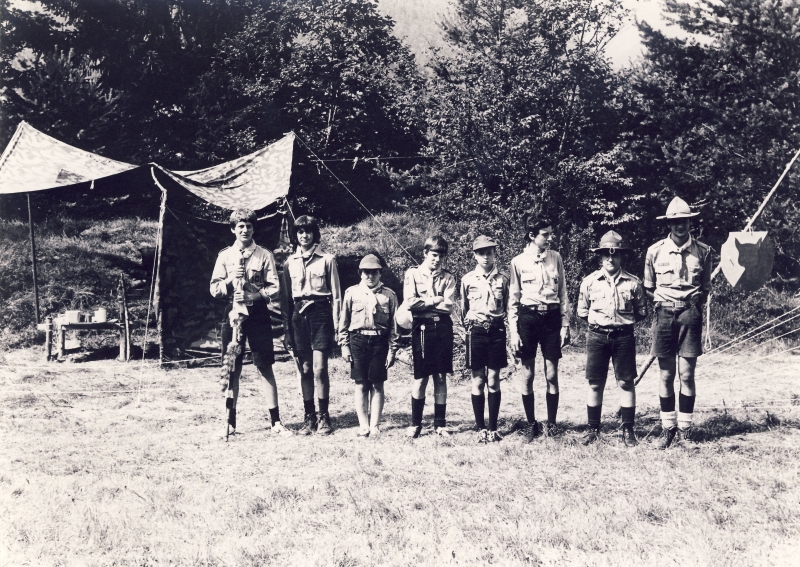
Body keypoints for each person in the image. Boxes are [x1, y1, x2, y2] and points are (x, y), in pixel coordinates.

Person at [210, 208, 288, 436]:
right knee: (232, 368)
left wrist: (254, 296)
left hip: (257, 315)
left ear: (254, 228)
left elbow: (274, 287)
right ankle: (230, 423)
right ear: (233, 229)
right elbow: (214, 288)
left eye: (249, 226)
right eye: (240, 226)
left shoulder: (264, 255)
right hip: (233, 315)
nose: (245, 230)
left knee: (264, 365)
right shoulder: (225, 256)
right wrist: (230, 282)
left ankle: (276, 422)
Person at [644, 197, 712, 449]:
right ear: (669, 224)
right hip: (664, 315)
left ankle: (685, 431)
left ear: (689, 222)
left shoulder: (703, 252)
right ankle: (667, 429)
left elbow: (705, 288)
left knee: (686, 374)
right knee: (666, 374)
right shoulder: (654, 251)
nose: (679, 226)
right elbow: (648, 287)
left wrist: (690, 305)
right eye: (675, 221)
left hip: (689, 316)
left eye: (683, 221)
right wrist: (664, 303)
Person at [576, 231, 647, 447]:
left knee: (626, 382)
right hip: (597, 335)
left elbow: (641, 311)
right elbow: (582, 311)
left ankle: (628, 430)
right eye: (606, 254)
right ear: (600, 257)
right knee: (595, 383)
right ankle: (593, 429)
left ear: (621, 257)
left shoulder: (633, 283)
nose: (610, 259)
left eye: (615, 255)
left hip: (624, 336)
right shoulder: (589, 282)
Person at [508, 214, 571, 442]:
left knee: (551, 374)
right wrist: (513, 332)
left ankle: (552, 425)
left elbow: (563, 293)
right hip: (528, 318)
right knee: (527, 373)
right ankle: (531, 424)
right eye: (545, 234)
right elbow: (513, 299)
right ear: (532, 235)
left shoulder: (556, 258)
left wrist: (565, 323)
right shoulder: (518, 261)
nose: (550, 238)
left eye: (551, 233)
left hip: (552, 318)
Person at [281, 215, 342, 436]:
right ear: (295, 235)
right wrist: (287, 330)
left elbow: (336, 296)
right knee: (305, 369)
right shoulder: (289, 263)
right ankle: (309, 417)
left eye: (308, 231)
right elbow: (286, 300)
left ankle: (324, 416)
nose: (304, 236)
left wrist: (337, 326)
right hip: (299, 316)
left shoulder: (327, 259)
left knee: (320, 368)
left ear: (314, 234)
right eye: (300, 232)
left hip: (320, 313)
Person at [339, 254, 399, 438]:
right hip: (358, 340)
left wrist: (392, 349)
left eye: (374, 272)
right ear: (360, 273)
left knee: (377, 384)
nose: (370, 276)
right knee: (360, 384)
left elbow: (394, 327)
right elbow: (344, 321)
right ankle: (363, 424)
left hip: (379, 342)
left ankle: (375, 425)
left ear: (380, 273)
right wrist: (344, 345)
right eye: (366, 272)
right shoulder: (351, 293)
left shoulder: (389, 295)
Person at [403, 235, 456, 438]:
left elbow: (448, 307)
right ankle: (416, 423)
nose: (437, 260)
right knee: (421, 376)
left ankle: (440, 424)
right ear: (425, 253)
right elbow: (410, 303)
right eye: (434, 255)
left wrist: (424, 302)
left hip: (442, 327)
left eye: (441, 256)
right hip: (421, 328)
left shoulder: (449, 277)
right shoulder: (413, 274)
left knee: (440, 376)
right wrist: (435, 300)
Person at [460, 235, 510, 443]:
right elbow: (464, 308)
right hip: (477, 330)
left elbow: (507, 305)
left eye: (489, 252)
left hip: (496, 330)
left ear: (494, 253)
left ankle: (493, 427)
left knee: (494, 379)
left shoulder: (504, 279)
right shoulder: (467, 279)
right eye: (481, 253)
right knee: (478, 378)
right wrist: (469, 326)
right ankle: (480, 427)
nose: (486, 257)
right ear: (475, 256)